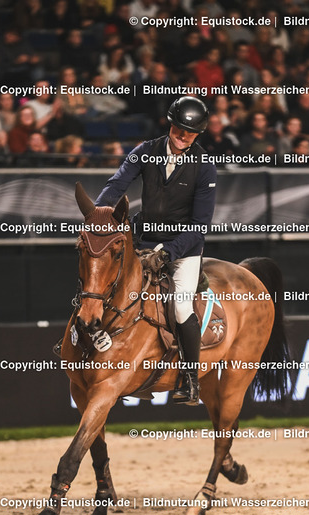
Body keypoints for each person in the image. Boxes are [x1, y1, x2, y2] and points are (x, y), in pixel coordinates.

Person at [95, 96, 217, 405]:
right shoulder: (145, 151)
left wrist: (169, 252)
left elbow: (200, 225)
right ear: (170, 124)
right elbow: (116, 185)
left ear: (198, 134)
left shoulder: (204, 166)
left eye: (190, 133)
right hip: (144, 239)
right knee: (104, 281)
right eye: (178, 129)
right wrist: (99, 212)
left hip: (184, 248)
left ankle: (190, 380)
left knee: (181, 306)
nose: (182, 136)